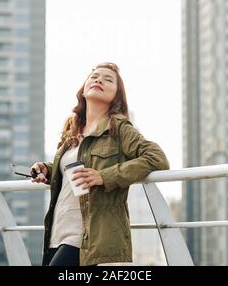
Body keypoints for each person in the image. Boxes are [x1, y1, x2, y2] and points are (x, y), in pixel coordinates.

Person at [31, 62, 170, 267]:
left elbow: (157, 158)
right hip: (58, 231)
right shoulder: (73, 129)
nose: (99, 80)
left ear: (117, 95)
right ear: (84, 88)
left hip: (86, 236)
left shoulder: (118, 127)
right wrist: (47, 170)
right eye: (94, 76)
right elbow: (72, 169)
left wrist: (104, 176)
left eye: (108, 79)